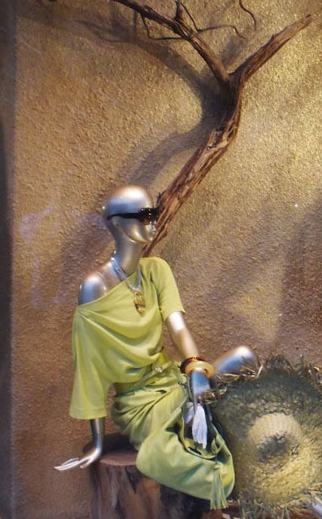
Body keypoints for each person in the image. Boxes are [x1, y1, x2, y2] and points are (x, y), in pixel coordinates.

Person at [56, 185, 258, 509]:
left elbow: (178, 328)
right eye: (144, 215)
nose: (152, 222)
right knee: (197, 441)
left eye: (155, 213)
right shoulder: (95, 287)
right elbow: (90, 370)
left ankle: (271, 460)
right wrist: (97, 441)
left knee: (244, 358)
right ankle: (249, 481)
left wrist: (195, 367)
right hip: (140, 405)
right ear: (117, 223)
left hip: (174, 381)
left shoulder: (156, 271)